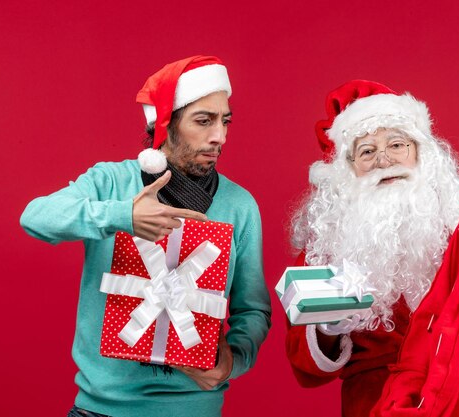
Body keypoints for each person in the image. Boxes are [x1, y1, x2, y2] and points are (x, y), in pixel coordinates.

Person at [21, 55, 271, 417]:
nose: (219, 136)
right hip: (101, 409)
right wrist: (122, 215)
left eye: (225, 121)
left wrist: (234, 360)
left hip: (194, 409)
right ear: (166, 124)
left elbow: (254, 310)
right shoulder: (111, 183)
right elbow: (36, 217)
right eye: (203, 121)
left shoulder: (239, 205)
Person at [285, 80, 459, 417]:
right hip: (375, 402)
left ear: (421, 153)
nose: (384, 160)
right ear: (347, 171)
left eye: (397, 145)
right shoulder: (327, 245)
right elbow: (305, 366)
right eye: (367, 151)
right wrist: (325, 327)